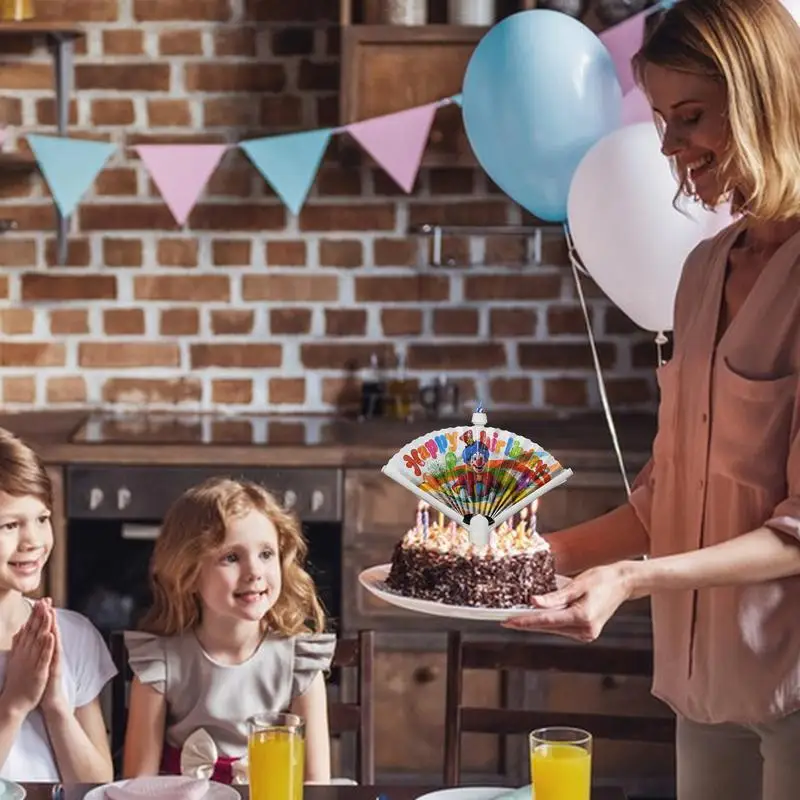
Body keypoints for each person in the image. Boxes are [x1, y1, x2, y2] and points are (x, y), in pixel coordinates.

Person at [502, 1, 800, 798]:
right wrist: (525, 560)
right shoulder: (703, 272)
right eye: (662, 119)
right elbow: (667, 497)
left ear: (765, 97)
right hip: (700, 684)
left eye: (692, 117)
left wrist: (632, 580)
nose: (669, 147)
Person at [122, 477, 336, 784]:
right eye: (231, 558)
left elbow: (315, 787)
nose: (254, 572)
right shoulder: (160, 664)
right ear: (190, 573)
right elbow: (138, 787)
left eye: (266, 554)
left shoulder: (300, 662)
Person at [0, 427, 116, 782]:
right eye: (9, 525)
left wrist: (55, 706)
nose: (33, 540)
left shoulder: (72, 635)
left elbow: (97, 788)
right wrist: (14, 705)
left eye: (42, 519)